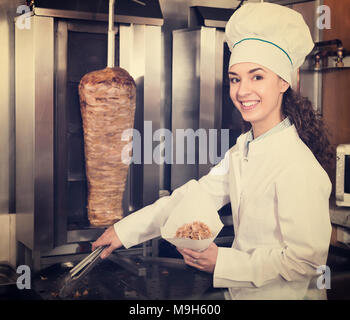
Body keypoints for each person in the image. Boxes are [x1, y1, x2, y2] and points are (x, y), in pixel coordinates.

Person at [92, 2, 334, 300]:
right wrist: (124, 231)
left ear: (284, 81)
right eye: (236, 78)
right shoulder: (244, 149)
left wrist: (223, 261)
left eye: (257, 76)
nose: (242, 90)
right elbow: (193, 195)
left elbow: (306, 262)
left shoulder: (297, 165)